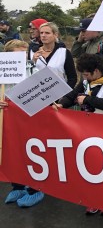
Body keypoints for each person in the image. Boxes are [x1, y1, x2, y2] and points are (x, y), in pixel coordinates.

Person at [55, 53, 103, 214]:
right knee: (94, 167)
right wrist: (61, 105)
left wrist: (87, 100)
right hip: (95, 132)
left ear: (96, 71)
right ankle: (96, 200)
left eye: (87, 74)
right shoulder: (87, 81)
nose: (85, 77)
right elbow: (73, 95)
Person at [1, 40, 46, 208]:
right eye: (16, 54)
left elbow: (45, 92)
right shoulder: (2, 71)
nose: (21, 57)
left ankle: (36, 189)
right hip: (9, 120)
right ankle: (18, 186)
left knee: (32, 152)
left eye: (23, 53)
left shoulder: (34, 70)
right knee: (13, 153)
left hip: (31, 119)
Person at [32, 22, 77, 88]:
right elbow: (29, 76)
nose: (43, 35)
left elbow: (72, 78)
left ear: (55, 35)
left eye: (47, 33)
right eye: (41, 33)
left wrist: (66, 95)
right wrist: (33, 62)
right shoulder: (33, 52)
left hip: (60, 93)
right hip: (39, 94)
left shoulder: (63, 52)